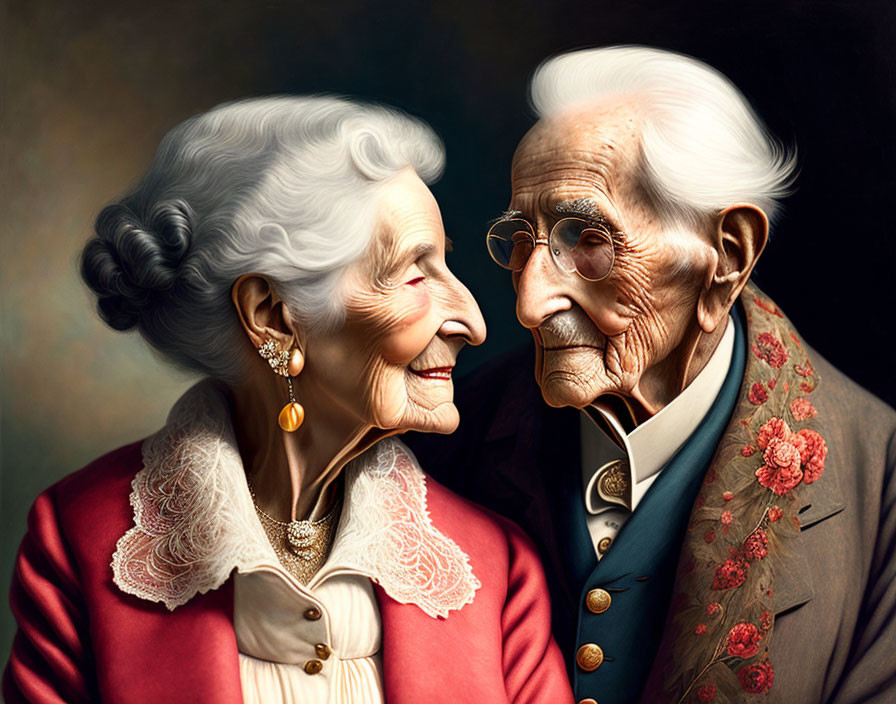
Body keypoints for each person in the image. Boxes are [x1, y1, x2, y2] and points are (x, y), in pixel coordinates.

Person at [3, 96, 573, 704]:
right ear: (272, 318)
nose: (473, 321)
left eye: (446, 266)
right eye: (414, 275)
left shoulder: (496, 569)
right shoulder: (80, 542)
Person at [408, 46, 896, 703]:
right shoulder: (443, 439)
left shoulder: (881, 480)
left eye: (587, 239)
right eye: (521, 240)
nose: (528, 303)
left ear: (728, 253)